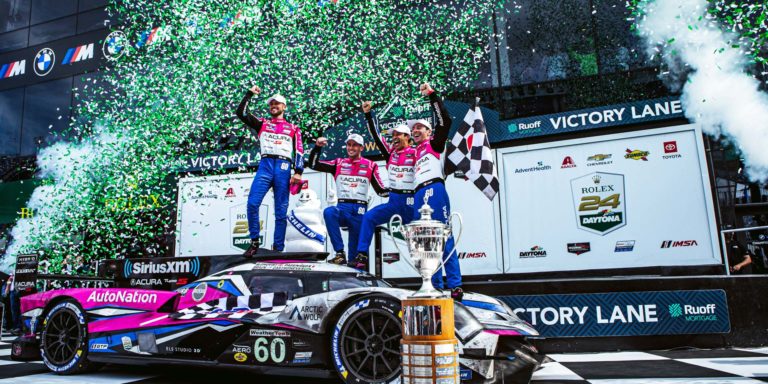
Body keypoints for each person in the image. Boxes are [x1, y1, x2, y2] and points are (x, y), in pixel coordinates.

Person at [236, 85, 305, 256]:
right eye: (271, 104)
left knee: (281, 212)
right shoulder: (262, 124)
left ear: (284, 107)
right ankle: (254, 241)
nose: (274, 105)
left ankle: (278, 248)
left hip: (283, 167)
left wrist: (298, 171)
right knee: (252, 203)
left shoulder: (293, 128)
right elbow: (241, 113)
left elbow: (299, 150)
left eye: (277, 103)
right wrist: (249, 94)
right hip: (265, 165)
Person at [410, 83, 463, 300]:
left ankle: (455, 284)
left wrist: (432, 95)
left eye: (419, 128)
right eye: (413, 129)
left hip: (434, 188)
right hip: (417, 194)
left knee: (443, 235)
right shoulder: (412, 152)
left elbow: (446, 121)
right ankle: (433, 284)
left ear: (429, 132)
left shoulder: (435, 143)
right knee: (424, 241)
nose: (415, 131)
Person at [351, 101, 417, 269]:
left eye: (399, 134)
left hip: (412, 202)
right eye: (393, 134)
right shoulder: (390, 153)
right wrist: (368, 114)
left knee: (420, 245)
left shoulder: (416, 153)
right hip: (394, 202)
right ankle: (362, 255)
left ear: (407, 137)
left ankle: (435, 279)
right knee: (369, 217)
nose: (394, 137)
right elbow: (375, 134)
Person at [309, 133, 388, 265]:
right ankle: (339, 252)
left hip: (360, 210)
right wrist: (317, 147)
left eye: (355, 145)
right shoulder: (339, 163)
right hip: (343, 208)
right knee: (329, 212)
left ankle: (358, 279)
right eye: (349, 145)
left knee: (356, 259)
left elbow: (380, 190)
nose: (351, 148)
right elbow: (313, 165)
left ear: (361, 148)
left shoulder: (370, 165)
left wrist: (399, 191)